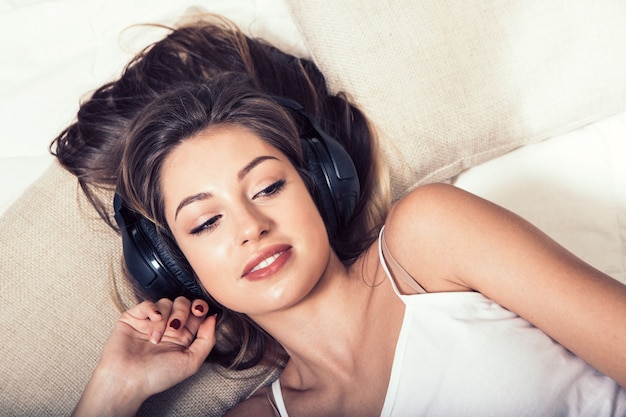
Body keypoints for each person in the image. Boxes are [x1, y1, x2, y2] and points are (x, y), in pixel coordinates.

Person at [52, 16, 626, 417]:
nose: (250, 226)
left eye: (269, 186)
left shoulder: (428, 239)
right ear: (175, 267)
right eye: (206, 223)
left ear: (320, 183)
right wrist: (111, 395)